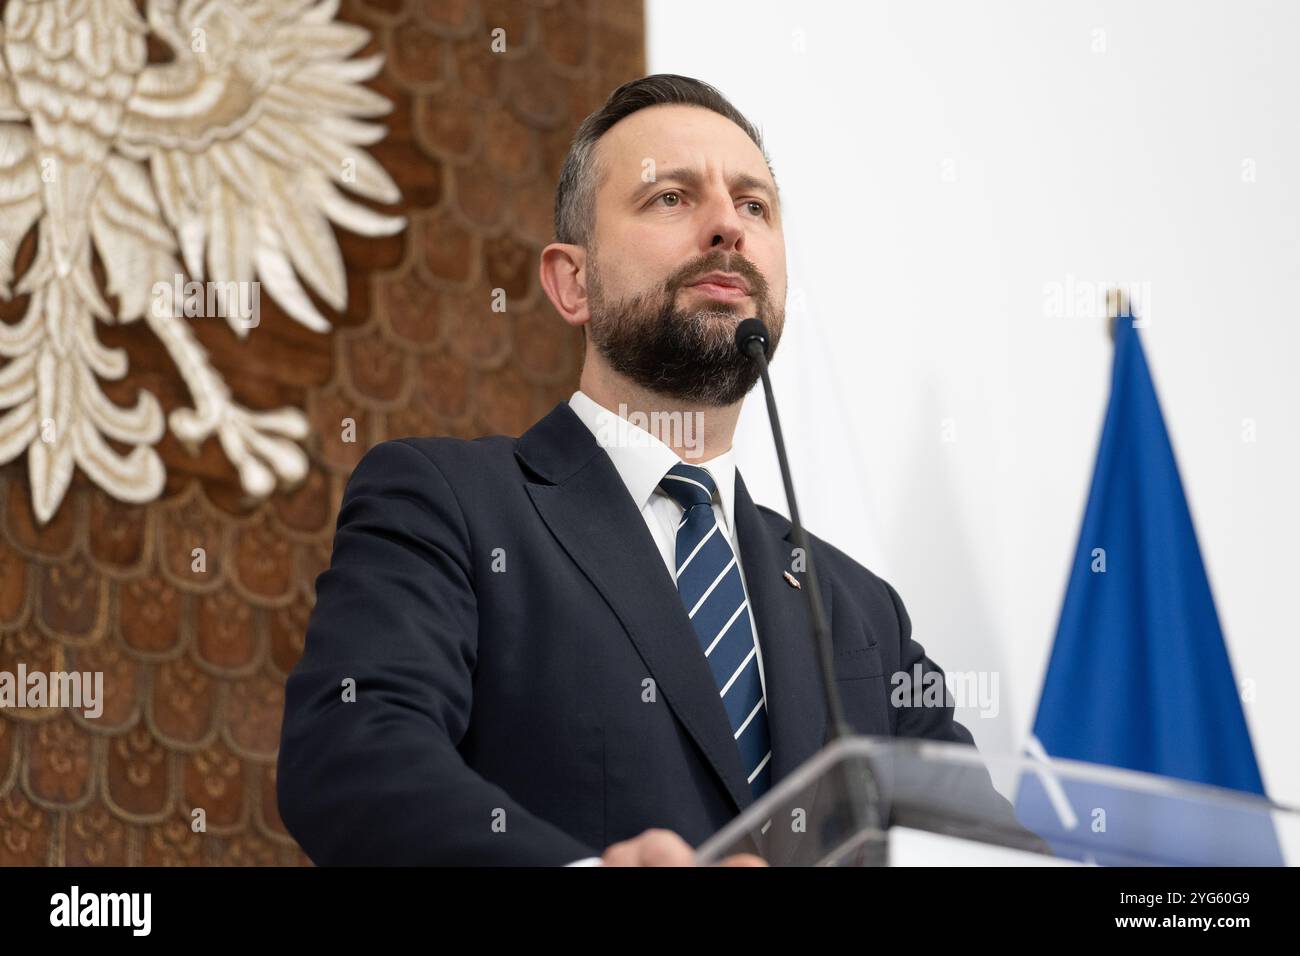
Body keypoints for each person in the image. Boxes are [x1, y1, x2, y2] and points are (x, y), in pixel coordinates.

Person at [277, 74, 993, 866]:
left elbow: (989, 850)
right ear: (571, 281)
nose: (728, 226)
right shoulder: (447, 505)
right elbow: (354, 757)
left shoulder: (863, 611)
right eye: (671, 198)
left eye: (755, 205)